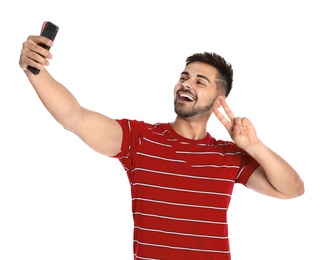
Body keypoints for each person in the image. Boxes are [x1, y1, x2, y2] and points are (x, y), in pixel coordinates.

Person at [19, 22, 304, 260]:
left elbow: (292, 189)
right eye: (184, 77)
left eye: (200, 81)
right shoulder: (139, 139)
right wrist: (37, 71)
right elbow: (74, 117)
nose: (186, 83)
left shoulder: (229, 156)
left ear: (219, 101)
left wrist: (254, 147)